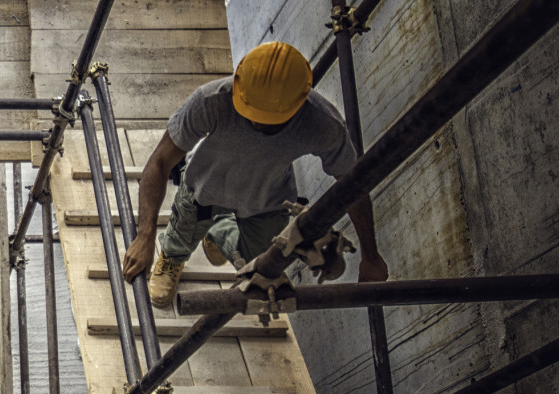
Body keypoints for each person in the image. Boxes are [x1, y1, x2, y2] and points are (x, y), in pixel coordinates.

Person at [121, 41, 389, 307]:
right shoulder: (211, 101)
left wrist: (371, 254)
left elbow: (352, 185)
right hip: (204, 188)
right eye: (250, 111)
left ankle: (218, 231)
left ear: (298, 103)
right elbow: (159, 162)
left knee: (261, 265)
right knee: (182, 234)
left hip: (266, 201)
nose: (256, 121)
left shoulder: (321, 124)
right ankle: (173, 257)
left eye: (268, 118)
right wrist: (144, 237)